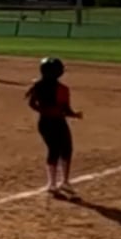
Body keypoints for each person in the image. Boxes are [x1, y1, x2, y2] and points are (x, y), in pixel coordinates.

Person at [26, 57, 83, 198]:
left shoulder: (37, 86)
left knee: (54, 150)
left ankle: (52, 184)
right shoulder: (62, 89)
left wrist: (44, 111)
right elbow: (66, 109)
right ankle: (63, 182)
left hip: (44, 122)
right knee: (65, 150)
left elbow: (32, 104)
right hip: (58, 122)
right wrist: (75, 114)